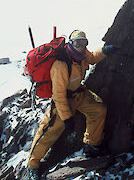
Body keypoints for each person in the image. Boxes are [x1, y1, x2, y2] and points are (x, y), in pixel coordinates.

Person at [25, 30, 120, 180]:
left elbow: (92, 58)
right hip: (63, 99)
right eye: (77, 43)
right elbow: (58, 95)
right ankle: (32, 165)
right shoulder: (60, 65)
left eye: (84, 43)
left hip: (78, 93)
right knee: (50, 130)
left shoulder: (82, 55)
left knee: (98, 109)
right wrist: (67, 118)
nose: (80, 47)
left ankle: (92, 145)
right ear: (70, 43)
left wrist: (105, 51)